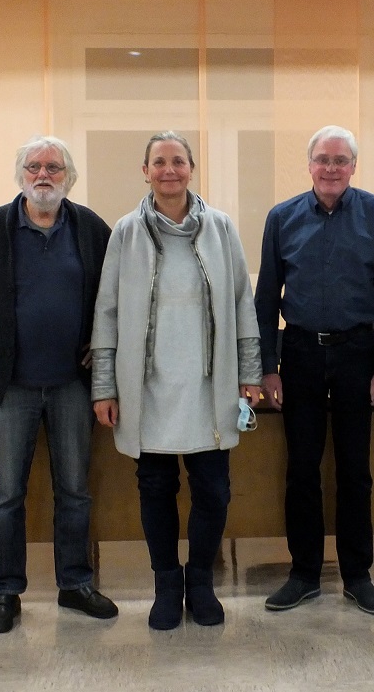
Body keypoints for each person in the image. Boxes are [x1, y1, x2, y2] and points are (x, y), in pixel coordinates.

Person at [91, 131, 261, 631]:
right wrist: (105, 385)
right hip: (148, 387)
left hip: (210, 386)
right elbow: (107, 310)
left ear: (191, 169)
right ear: (145, 171)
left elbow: (241, 303)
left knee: (214, 490)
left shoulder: (221, 228)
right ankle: (167, 585)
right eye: (159, 162)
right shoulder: (125, 231)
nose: (169, 170)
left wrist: (249, 372)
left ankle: (201, 583)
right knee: (155, 488)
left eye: (178, 161)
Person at [0, 135, 117, 634]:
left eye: (53, 167)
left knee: (74, 491)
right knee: (6, 495)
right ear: (21, 176)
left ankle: (74, 584)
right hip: (11, 388)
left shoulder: (91, 229)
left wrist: (108, 370)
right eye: (34, 167)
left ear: (69, 178)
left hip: (74, 384)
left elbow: (112, 302)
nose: (43, 174)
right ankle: (6, 592)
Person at [255, 124, 374, 616]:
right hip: (297, 352)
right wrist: (267, 366)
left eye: (340, 160)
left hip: (356, 353)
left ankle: (358, 575)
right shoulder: (281, 218)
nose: (331, 168)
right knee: (301, 469)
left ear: (354, 167)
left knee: (355, 470)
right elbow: (265, 301)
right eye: (323, 159)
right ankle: (303, 573)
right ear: (309, 165)